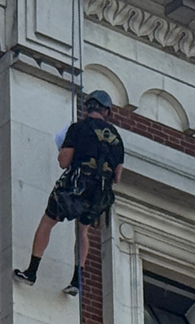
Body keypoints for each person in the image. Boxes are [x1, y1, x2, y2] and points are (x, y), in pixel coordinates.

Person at [15, 91, 125, 297]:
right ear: (107, 111)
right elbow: (117, 176)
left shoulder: (78, 128)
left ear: (88, 107)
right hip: (99, 194)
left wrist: (66, 151)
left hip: (75, 186)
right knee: (82, 232)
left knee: (47, 221)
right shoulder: (117, 139)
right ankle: (77, 281)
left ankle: (31, 272)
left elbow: (64, 161)